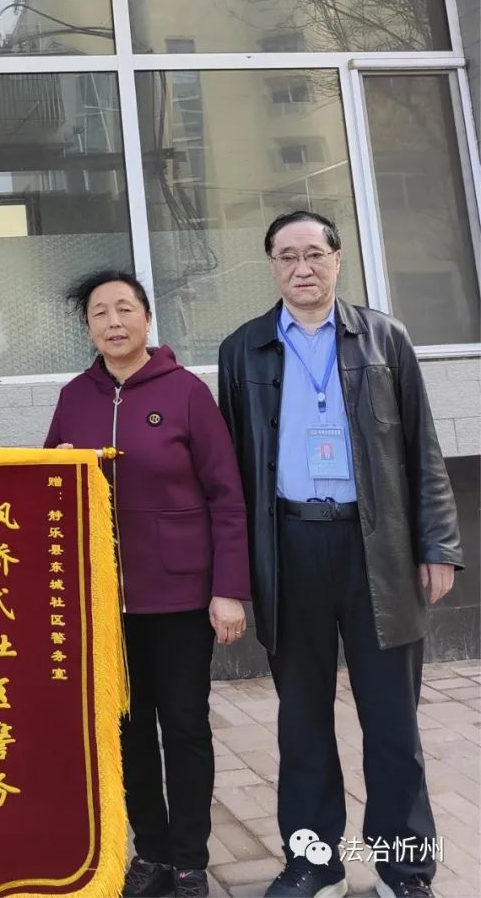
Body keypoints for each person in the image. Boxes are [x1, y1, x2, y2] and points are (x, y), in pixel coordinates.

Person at [217, 211, 462, 898]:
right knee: (302, 722)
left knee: (392, 723)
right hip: (289, 547)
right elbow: (230, 472)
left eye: (313, 253)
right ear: (271, 265)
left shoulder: (385, 338)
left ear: (338, 258)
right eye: (286, 256)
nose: (302, 268)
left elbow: (422, 447)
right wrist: (232, 572)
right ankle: (314, 862)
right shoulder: (243, 350)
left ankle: (403, 868)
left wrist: (438, 544)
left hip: (377, 548)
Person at [45, 269, 250, 898]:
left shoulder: (187, 393)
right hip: (104, 600)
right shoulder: (74, 398)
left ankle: (189, 859)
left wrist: (228, 588)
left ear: (147, 318)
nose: (113, 322)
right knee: (128, 729)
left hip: (181, 595)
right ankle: (152, 853)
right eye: (99, 313)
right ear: (87, 327)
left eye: (124, 309)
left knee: (184, 725)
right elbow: (46, 487)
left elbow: (227, 496)